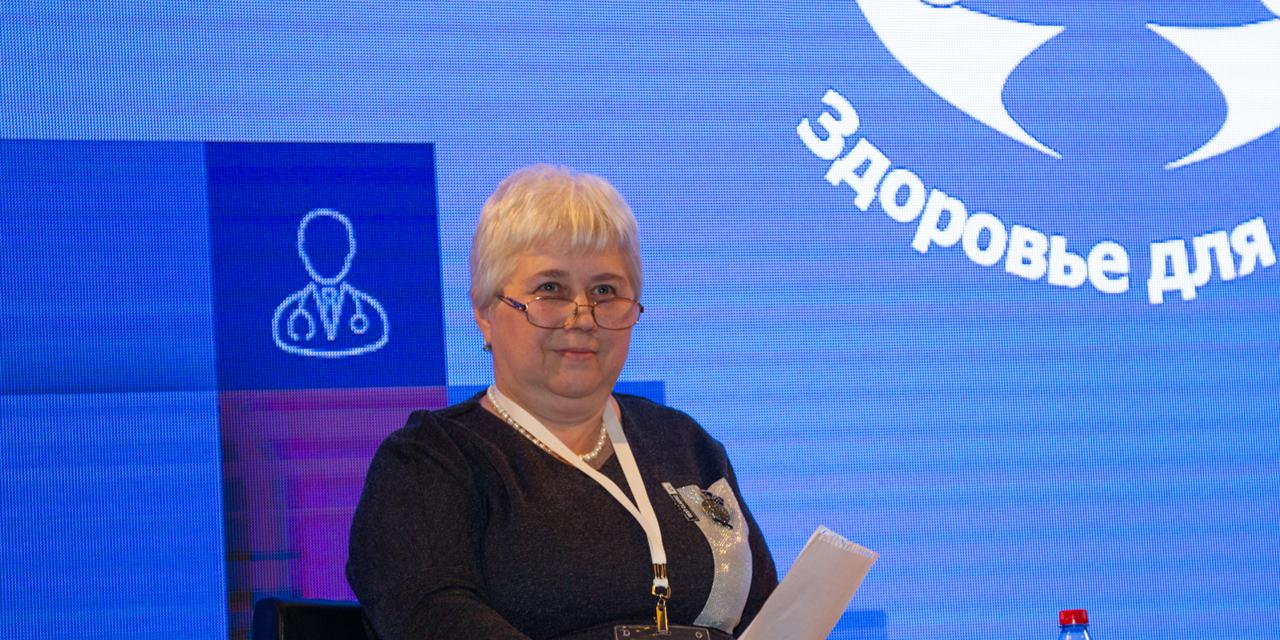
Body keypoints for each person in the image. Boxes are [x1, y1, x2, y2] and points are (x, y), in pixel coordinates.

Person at [347, 165, 777, 640]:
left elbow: (766, 614)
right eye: (550, 289)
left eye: (605, 291)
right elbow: (433, 619)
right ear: (486, 312)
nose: (583, 317)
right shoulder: (430, 461)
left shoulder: (685, 444)